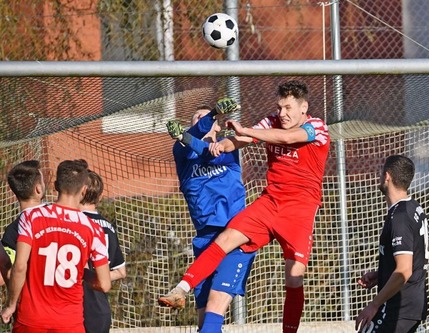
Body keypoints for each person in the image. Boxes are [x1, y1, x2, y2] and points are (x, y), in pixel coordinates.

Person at [159, 80, 331, 333]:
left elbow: (286, 137)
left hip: (299, 210)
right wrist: (222, 145)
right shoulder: (271, 121)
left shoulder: (316, 126)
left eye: (288, 108)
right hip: (270, 202)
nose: (282, 113)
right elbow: (237, 141)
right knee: (226, 239)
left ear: (303, 107)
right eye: (279, 107)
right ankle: (181, 288)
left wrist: (246, 132)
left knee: (294, 277)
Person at [160, 100, 257, 333]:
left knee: (215, 308)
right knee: (205, 324)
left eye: (209, 120)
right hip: (204, 241)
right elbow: (192, 138)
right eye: (196, 118)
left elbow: (214, 149)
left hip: (235, 237)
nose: (203, 122)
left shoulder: (228, 153)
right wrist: (210, 115)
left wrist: (215, 114)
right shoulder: (182, 156)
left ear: (218, 128)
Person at [1, 159, 112, 332]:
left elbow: (20, 266)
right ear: (83, 190)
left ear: (55, 186)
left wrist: (11, 304)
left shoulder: (32, 217)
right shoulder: (94, 229)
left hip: (31, 319)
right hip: (69, 322)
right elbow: (104, 284)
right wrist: (83, 274)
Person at [355, 155, 428, 333]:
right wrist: (381, 274)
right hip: (412, 306)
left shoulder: (400, 217)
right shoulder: (413, 207)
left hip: (398, 308)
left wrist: (374, 305)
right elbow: (413, 260)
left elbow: (404, 270)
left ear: (387, 176)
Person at [81, 170, 127, 333]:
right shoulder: (108, 226)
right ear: (100, 197)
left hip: (75, 309)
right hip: (100, 310)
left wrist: (84, 274)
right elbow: (121, 272)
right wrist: (99, 276)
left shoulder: (72, 222)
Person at [0, 160, 48, 286]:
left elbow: (5, 273)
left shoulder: (14, 230)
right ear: (38, 189)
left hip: (33, 297)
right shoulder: (62, 216)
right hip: (70, 298)